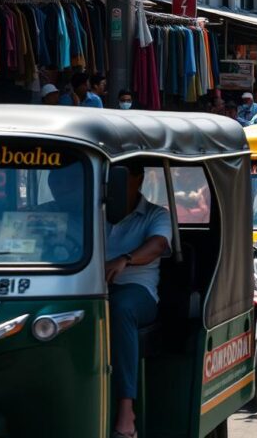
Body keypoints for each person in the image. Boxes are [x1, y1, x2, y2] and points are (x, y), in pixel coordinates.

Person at [104, 161, 172, 438]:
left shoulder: (156, 214)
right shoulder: (92, 212)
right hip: (89, 288)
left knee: (119, 310)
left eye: (117, 179)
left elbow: (158, 245)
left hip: (137, 291)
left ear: (137, 179)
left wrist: (125, 260)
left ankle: (125, 408)